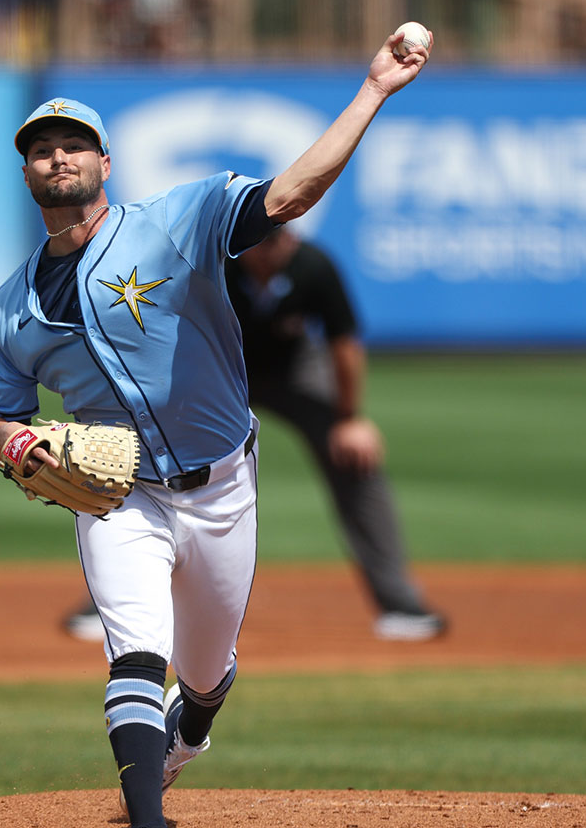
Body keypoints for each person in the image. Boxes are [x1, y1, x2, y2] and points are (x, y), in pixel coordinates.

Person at [0, 26, 430, 828]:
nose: (57, 155)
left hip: (223, 483)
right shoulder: (11, 309)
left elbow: (291, 194)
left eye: (74, 143)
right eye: (41, 148)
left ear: (106, 164)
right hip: (118, 498)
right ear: (27, 172)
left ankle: (196, 726)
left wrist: (373, 90)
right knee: (134, 653)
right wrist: (20, 445)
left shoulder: (178, 220)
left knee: (208, 671)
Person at [63, 226, 447, 642]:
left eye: (277, 239)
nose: (268, 249)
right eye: (259, 241)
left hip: (293, 370)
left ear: (293, 240)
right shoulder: (213, 268)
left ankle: (400, 603)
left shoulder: (313, 267)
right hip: (216, 370)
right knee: (153, 463)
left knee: (355, 457)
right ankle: (111, 602)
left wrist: (350, 418)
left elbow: (344, 343)